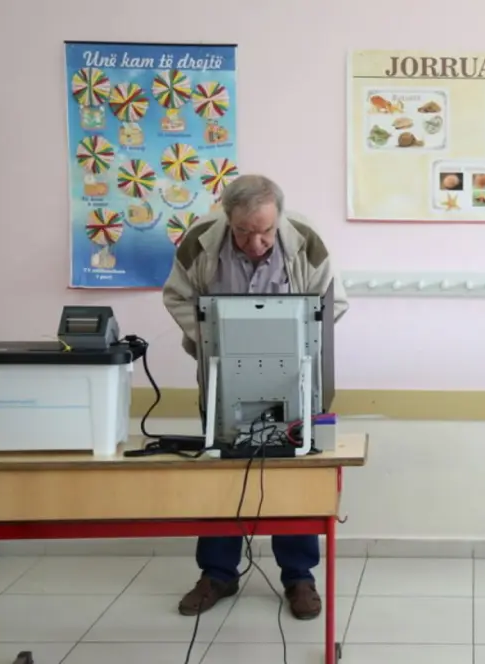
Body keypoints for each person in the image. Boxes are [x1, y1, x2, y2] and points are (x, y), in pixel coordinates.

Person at [162, 174, 349, 620]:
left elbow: (334, 304)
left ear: (278, 217)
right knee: (222, 474)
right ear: (227, 218)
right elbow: (176, 297)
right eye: (244, 232)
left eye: (264, 231)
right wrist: (213, 339)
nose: (255, 242)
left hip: (292, 380)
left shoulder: (304, 240)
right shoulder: (199, 242)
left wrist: (296, 340)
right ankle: (217, 574)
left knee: (292, 476)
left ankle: (299, 577)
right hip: (225, 379)